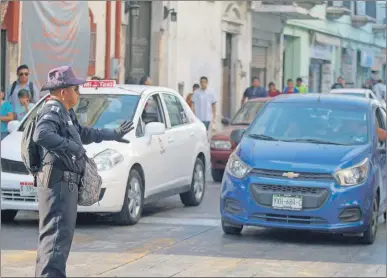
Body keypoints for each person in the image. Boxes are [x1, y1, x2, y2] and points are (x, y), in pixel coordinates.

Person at [32, 66, 134, 277]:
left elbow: (84, 133)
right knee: (55, 244)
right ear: (63, 92)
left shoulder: (64, 112)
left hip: (63, 186)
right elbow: (41, 135)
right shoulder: (53, 110)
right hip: (58, 187)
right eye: (75, 89)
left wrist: (113, 134)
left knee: (56, 244)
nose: (79, 92)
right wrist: (72, 148)